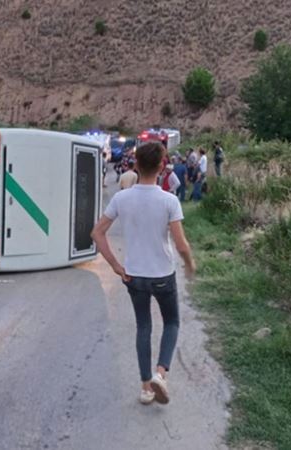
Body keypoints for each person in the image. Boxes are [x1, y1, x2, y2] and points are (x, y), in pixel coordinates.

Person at [91, 142, 196, 406]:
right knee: (171, 322)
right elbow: (180, 243)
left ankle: (146, 388)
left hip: (133, 276)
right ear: (162, 166)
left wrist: (115, 265)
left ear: (135, 165)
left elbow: (97, 233)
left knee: (143, 327)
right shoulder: (169, 200)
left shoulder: (121, 198)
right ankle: (161, 373)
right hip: (162, 274)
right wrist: (189, 263)